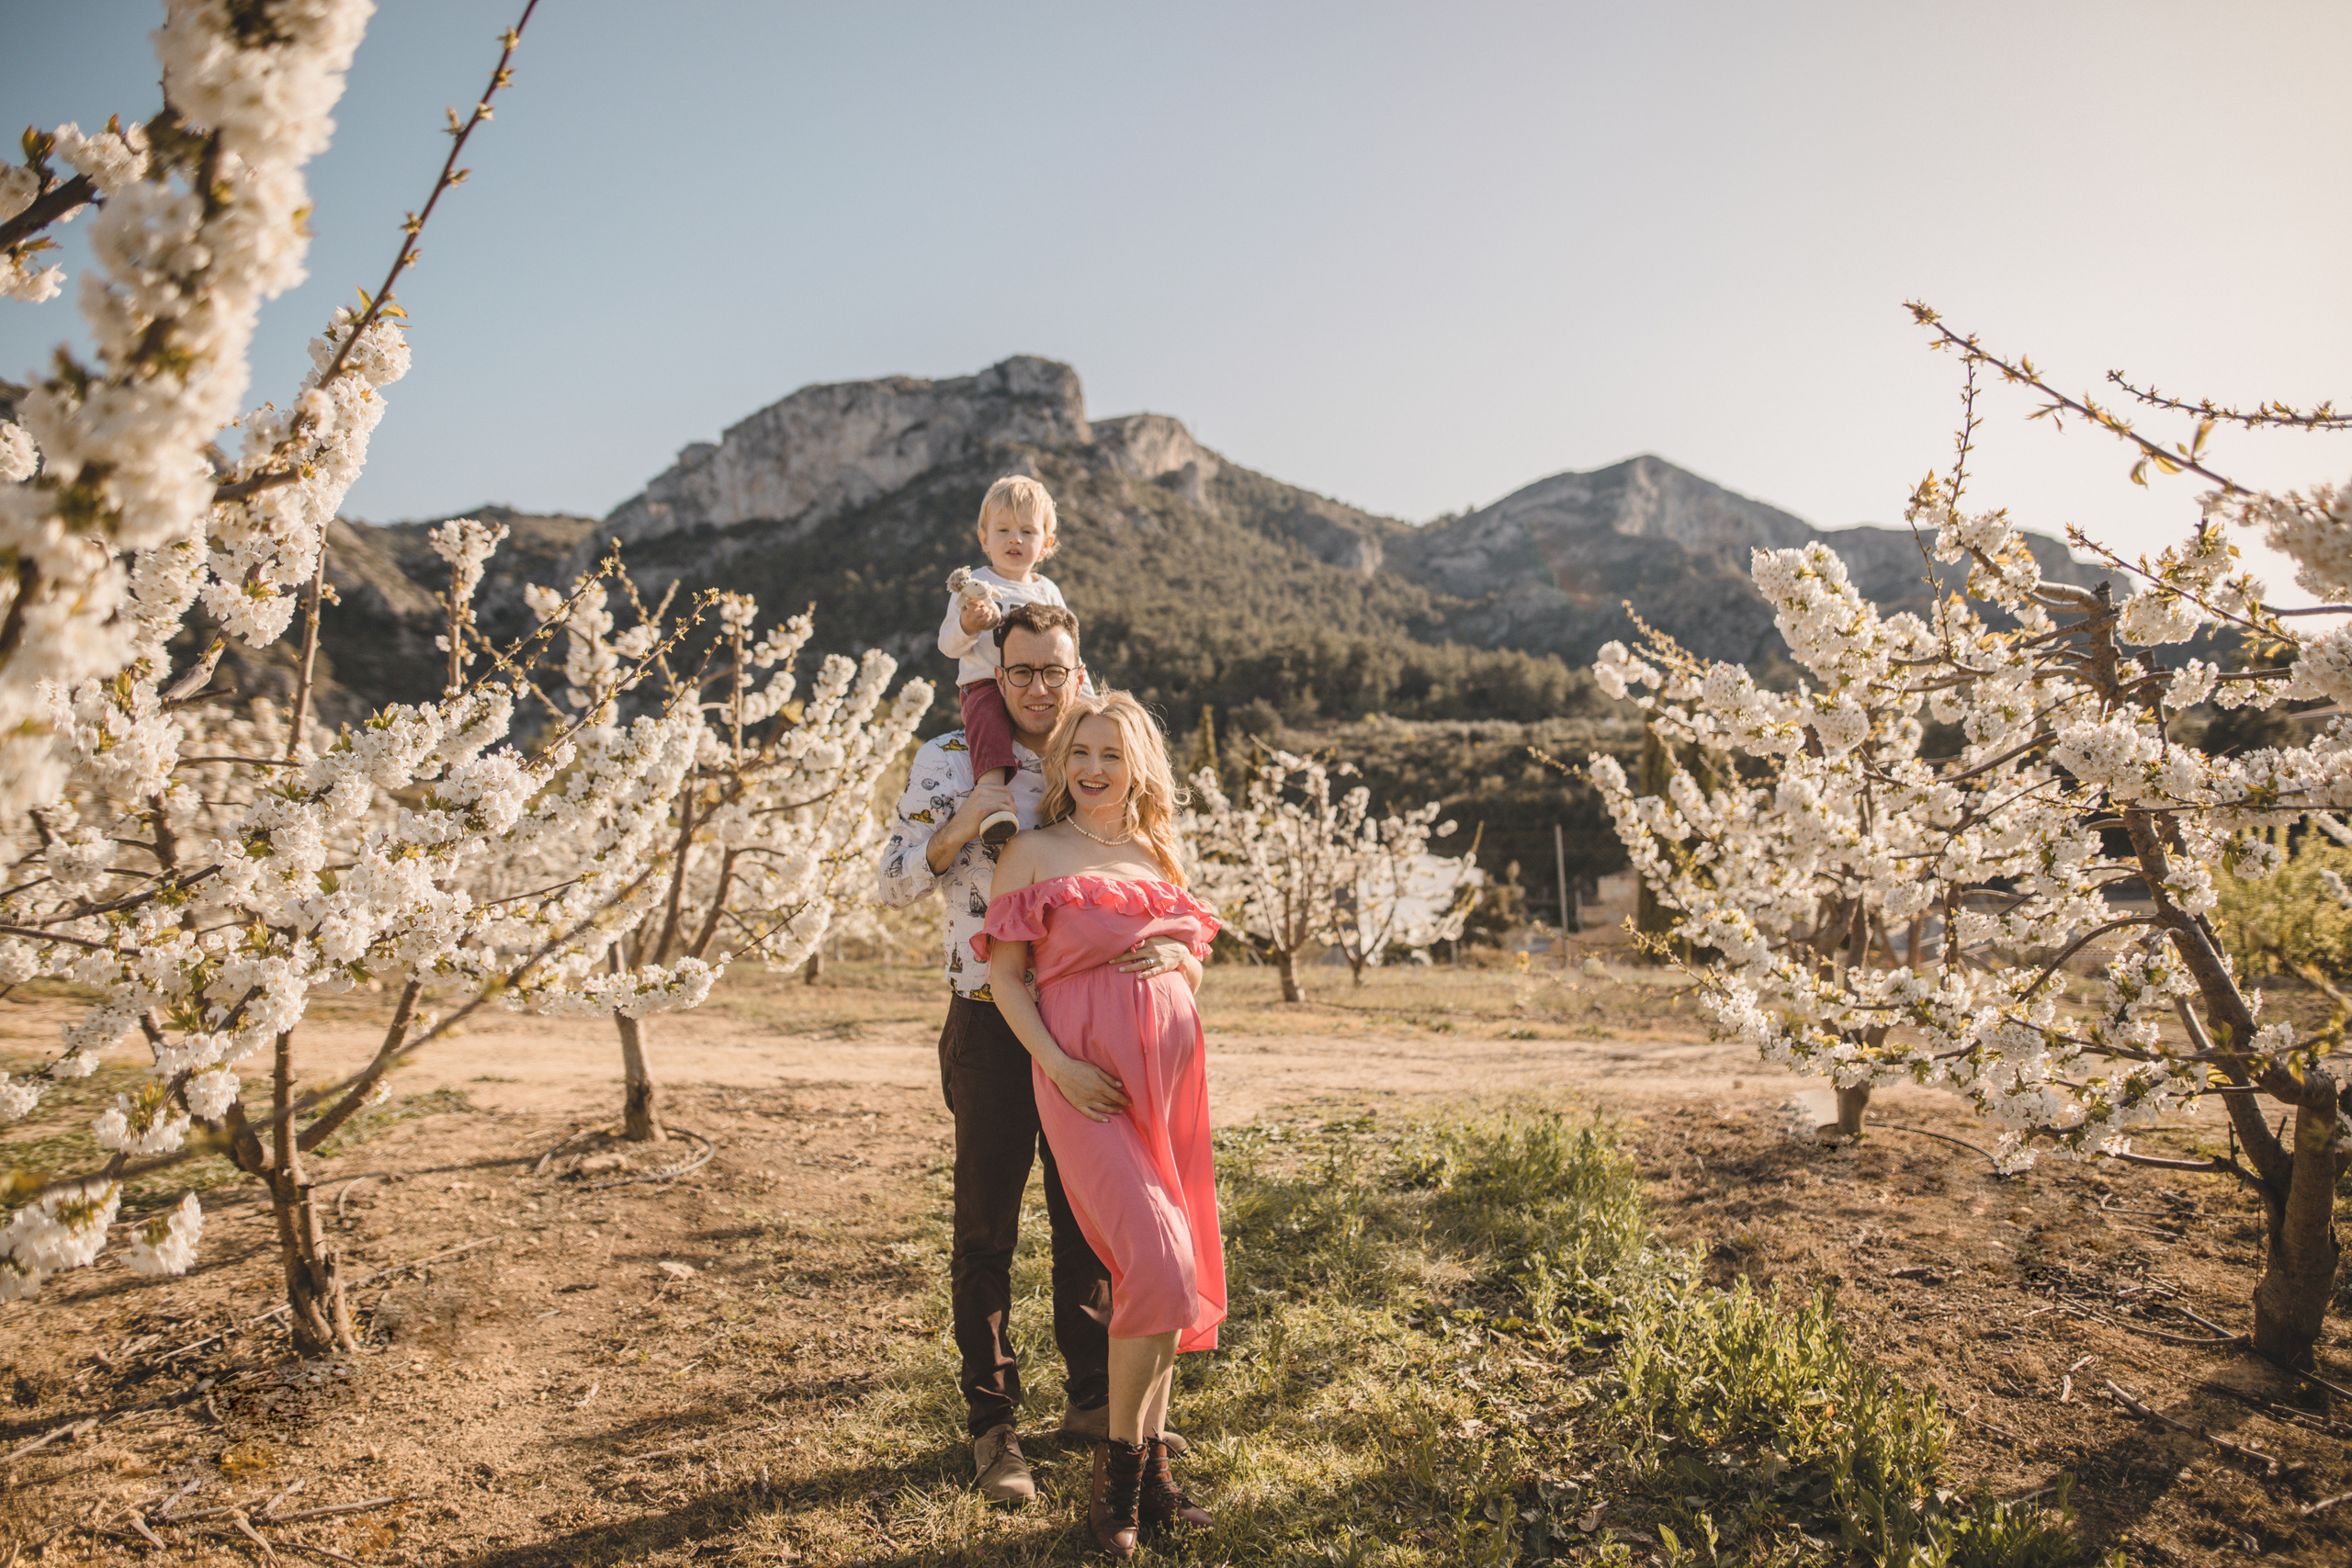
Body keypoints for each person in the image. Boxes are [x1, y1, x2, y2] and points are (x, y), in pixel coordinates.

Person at [874, 603, 1193, 1506]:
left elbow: (1151, 873)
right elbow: (891, 881)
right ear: (995, 673)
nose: (1041, 688)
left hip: (1092, 1028)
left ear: (1076, 669)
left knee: (1090, 1225)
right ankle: (994, 1424)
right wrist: (961, 825)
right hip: (990, 1018)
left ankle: (1094, 1402)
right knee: (987, 1229)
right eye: (1022, 671)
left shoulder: (1091, 756)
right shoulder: (949, 760)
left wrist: (1175, 950)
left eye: (1056, 670)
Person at [977, 691, 1226, 1558]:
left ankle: (1148, 1471)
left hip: (1168, 1084)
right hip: (1087, 1085)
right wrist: (1058, 1064)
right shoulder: (1032, 851)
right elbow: (1007, 977)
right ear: (1060, 762)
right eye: (1079, 752)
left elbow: (1189, 964)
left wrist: (1179, 957)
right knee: (1157, 1259)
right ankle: (1117, 1481)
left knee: (1168, 1270)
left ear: (1137, 765)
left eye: (1110, 754)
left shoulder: (1158, 852)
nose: (1092, 767)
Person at [937, 475, 1075, 848]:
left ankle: (1064, 798)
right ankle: (992, 798)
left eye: (1027, 531)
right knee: (987, 717)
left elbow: (1069, 648)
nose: (1015, 539)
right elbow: (948, 645)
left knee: (1071, 729)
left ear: (1046, 544)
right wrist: (967, 625)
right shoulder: (973, 586)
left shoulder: (1048, 591)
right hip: (986, 682)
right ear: (984, 539)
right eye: (1003, 530)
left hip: (1039, 683)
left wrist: (1085, 695)